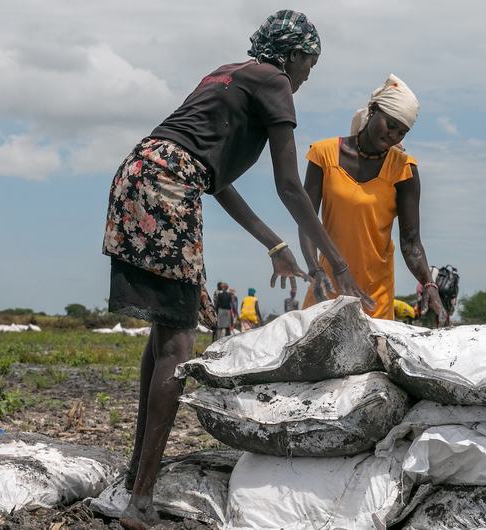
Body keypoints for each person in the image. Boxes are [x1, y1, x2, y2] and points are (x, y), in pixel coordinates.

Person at [100, 11, 368, 527]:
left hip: (138, 174)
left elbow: (217, 179)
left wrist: (273, 246)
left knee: (164, 336)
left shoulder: (226, 74)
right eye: (309, 63)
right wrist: (337, 262)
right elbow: (290, 186)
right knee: (179, 347)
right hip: (169, 186)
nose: (309, 75)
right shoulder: (274, 81)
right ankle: (139, 501)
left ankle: (133, 482)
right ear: (291, 55)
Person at [297, 74, 446, 324]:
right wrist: (315, 269)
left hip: (375, 298)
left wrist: (428, 284)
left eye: (401, 132)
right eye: (390, 124)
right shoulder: (324, 154)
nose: (393, 136)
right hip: (327, 289)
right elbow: (307, 222)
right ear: (373, 109)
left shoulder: (403, 170)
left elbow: (411, 242)